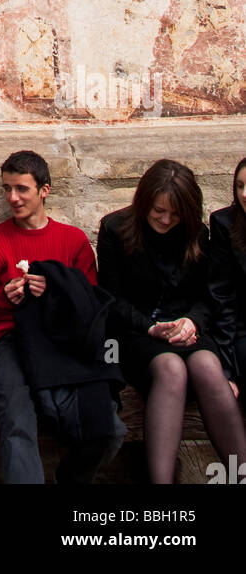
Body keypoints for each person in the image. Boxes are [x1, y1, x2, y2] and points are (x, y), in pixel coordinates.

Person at [0, 149, 123, 484]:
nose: (12, 197)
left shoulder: (73, 241)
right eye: (6, 189)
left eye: (22, 189)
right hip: (12, 340)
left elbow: (92, 305)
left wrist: (56, 291)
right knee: (15, 418)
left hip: (66, 341)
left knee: (108, 427)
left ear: (44, 190)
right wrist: (5, 298)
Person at [98, 158, 246, 485]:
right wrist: (151, 328)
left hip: (185, 329)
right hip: (137, 333)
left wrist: (192, 321)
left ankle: (241, 475)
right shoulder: (114, 229)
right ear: (144, 203)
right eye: (158, 212)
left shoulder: (197, 234)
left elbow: (208, 297)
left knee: (207, 365)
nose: (166, 220)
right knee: (171, 368)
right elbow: (110, 299)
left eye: (175, 215)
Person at [209, 156, 246, 389]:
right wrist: (226, 369)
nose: (244, 194)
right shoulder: (225, 224)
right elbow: (222, 299)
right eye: (240, 186)